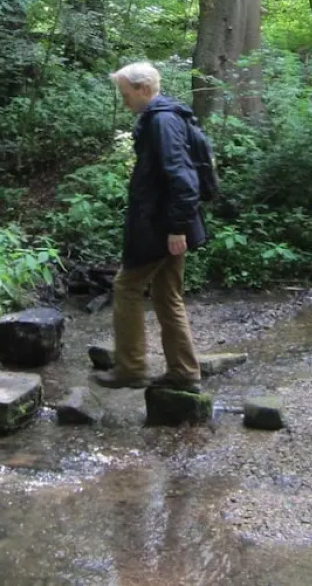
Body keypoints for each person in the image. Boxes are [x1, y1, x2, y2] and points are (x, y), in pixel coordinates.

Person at [93, 62, 206, 392]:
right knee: (166, 294)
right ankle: (183, 372)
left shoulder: (162, 121)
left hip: (162, 226)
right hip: (168, 223)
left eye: (126, 95)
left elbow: (182, 177)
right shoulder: (167, 116)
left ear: (144, 90)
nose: (125, 102)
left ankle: (131, 368)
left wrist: (177, 228)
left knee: (126, 287)